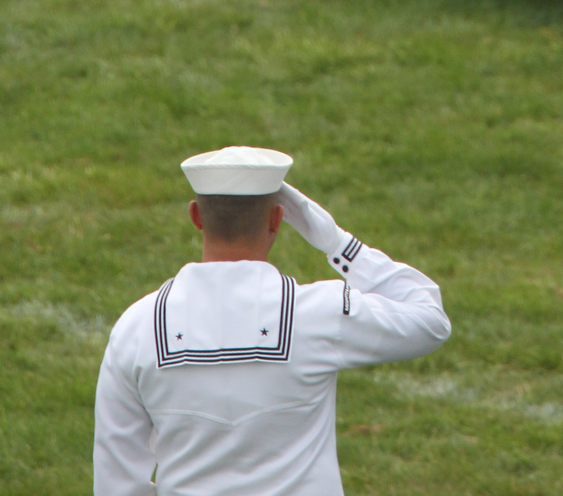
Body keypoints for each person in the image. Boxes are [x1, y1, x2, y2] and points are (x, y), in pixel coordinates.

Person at [93, 145, 451, 496]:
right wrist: (337, 242)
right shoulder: (317, 313)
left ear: (196, 216)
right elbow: (430, 319)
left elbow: (116, 483)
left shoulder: (135, 327)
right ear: (278, 218)